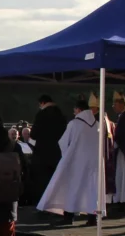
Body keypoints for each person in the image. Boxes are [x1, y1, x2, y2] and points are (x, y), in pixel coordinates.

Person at [38, 94, 103, 226]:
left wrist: (66, 156)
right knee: (92, 189)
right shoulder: (98, 124)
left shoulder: (74, 124)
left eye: (75, 110)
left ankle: (69, 216)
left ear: (79, 110)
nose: (74, 112)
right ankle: (92, 217)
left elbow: (63, 142)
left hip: (76, 162)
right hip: (94, 162)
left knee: (72, 187)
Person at [30, 95, 68, 198]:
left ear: (42, 103)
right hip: (57, 152)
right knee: (55, 180)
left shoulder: (41, 114)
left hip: (42, 153)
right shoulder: (61, 115)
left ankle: (43, 206)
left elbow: (33, 134)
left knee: (42, 181)